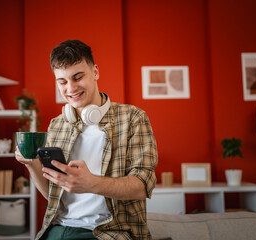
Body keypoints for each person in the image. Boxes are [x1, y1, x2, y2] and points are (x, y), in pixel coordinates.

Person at [15, 40, 158, 240]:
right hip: (57, 228)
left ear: (95, 72)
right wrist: (31, 165)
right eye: (62, 82)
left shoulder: (133, 118)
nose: (71, 88)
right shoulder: (57, 125)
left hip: (109, 233)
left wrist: (92, 184)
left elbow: (143, 186)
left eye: (78, 77)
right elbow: (54, 196)